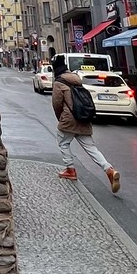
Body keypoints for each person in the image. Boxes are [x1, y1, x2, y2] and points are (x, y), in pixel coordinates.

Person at [51, 63, 121, 194]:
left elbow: (57, 103)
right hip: (83, 117)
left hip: (69, 119)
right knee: (91, 148)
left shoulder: (59, 83)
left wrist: (60, 118)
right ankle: (109, 169)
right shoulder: (77, 80)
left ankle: (70, 170)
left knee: (63, 143)